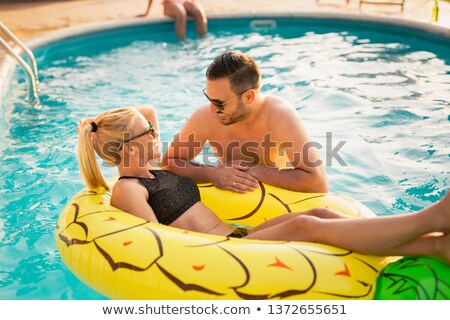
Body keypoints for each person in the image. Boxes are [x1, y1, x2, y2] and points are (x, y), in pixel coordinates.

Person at [77, 106, 450, 264]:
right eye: (149, 132)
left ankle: (433, 248)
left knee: (319, 211)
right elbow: (159, 242)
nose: (157, 132)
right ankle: (430, 220)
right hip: (218, 250)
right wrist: (109, 136)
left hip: (237, 234)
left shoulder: (153, 167)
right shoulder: (128, 189)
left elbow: (146, 113)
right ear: (126, 146)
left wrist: (100, 125)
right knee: (306, 225)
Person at [163, 51, 328, 194]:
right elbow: (168, 162)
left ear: (249, 97)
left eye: (219, 103)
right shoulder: (206, 117)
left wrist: (253, 170)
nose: (212, 110)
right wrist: (212, 174)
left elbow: (317, 182)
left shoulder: (280, 116)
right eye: (209, 99)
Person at [139, 0, 207, 40]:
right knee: (181, 14)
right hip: (170, 3)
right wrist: (147, 12)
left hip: (185, 2)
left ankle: (202, 41)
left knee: (199, 13)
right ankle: (182, 44)